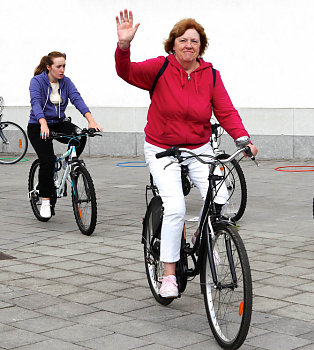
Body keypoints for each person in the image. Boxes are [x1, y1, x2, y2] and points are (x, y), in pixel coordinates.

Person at [115, 9, 258, 298]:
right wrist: (124, 46)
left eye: (194, 41)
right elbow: (126, 72)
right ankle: (169, 274)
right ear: (173, 44)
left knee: (220, 198)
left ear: (200, 46)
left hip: (198, 147)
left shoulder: (211, 75)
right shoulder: (160, 68)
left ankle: (204, 236)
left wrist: (243, 139)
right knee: (177, 208)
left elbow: (226, 111)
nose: (188, 45)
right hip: (162, 149)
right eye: (183, 40)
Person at [28, 51, 102, 219]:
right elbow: (36, 103)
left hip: (59, 123)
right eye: (58, 66)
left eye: (64, 66)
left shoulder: (66, 82)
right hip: (38, 125)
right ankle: (46, 200)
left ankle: (71, 164)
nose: (62, 70)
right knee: (47, 160)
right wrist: (43, 123)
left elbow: (77, 99)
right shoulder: (37, 82)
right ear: (48, 67)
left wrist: (90, 120)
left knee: (80, 136)